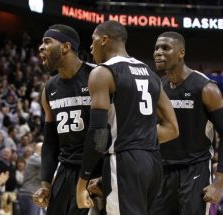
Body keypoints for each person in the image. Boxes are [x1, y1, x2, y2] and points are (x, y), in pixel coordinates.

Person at [76, 20, 179, 215]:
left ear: (104, 40)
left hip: (124, 161)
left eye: (93, 40)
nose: (90, 47)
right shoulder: (150, 74)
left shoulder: (102, 73)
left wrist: (82, 182)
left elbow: (98, 134)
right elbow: (172, 128)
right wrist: (139, 138)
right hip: (153, 164)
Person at [152, 31, 223, 215]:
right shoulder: (159, 86)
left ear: (181, 53)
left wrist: (219, 182)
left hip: (195, 169)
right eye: (156, 48)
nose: (158, 52)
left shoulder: (205, 88)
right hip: (164, 170)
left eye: (165, 48)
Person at [32, 24, 97, 215]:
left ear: (66, 47)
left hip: (96, 169)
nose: (40, 47)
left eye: (47, 41)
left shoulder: (97, 76)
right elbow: (50, 142)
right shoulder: (49, 88)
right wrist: (45, 183)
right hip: (65, 171)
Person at [18, 142, 42, 215]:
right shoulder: (34, 158)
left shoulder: (38, 160)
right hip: (29, 194)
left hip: (34, 195)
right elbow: (50, 164)